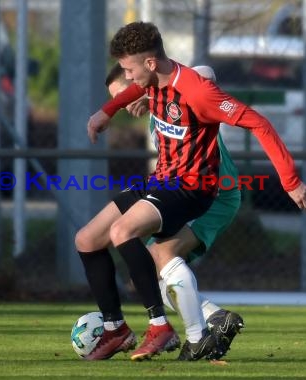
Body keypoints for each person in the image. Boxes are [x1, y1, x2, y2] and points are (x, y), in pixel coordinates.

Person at [82, 21, 306, 361]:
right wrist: (107, 110)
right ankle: (126, 328)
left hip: (201, 188)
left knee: (143, 246)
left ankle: (175, 330)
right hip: (163, 179)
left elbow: (252, 118)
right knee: (90, 240)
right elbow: (140, 88)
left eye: (130, 73)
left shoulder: (192, 90)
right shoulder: (151, 87)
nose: (129, 85)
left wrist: (290, 180)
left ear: (149, 65)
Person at [105, 63, 246, 360]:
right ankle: (215, 316)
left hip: (215, 194)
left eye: (124, 97)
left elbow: (206, 71)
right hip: (188, 193)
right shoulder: (155, 114)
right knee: (150, 274)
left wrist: (152, 94)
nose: (124, 107)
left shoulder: (175, 94)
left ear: (138, 83)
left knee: (161, 256)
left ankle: (198, 339)